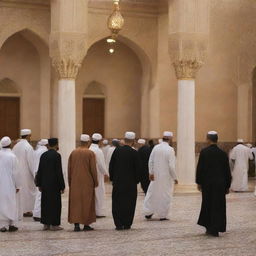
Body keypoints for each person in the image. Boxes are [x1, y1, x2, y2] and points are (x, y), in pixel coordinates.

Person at [196, 131, 232, 237]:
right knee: (218, 206)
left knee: (208, 204)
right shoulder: (223, 153)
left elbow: (200, 169)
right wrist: (228, 185)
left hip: (207, 184)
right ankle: (216, 228)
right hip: (220, 184)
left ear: (208, 139)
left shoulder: (204, 152)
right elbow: (227, 171)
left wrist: (199, 182)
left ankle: (209, 227)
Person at [109, 132, 141, 230]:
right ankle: (127, 223)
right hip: (130, 184)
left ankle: (118, 224)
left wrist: (112, 178)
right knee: (129, 203)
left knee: (117, 202)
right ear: (133, 141)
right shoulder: (134, 153)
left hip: (118, 182)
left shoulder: (117, 151)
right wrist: (136, 180)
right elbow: (138, 169)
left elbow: (111, 166)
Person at [143, 131, 178, 221]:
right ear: (170, 139)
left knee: (152, 193)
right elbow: (171, 166)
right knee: (165, 195)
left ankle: (148, 212)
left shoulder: (156, 147)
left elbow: (150, 161)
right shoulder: (170, 149)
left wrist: (151, 173)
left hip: (155, 176)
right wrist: (175, 177)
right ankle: (163, 215)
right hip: (166, 178)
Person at [68, 134, 98, 232]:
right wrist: (95, 181)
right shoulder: (90, 153)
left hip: (75, 182)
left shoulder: (73, 152)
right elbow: (93, 169)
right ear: (88, 142)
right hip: (87, 182)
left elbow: (69, 169)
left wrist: (70, 182)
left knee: (76, 203)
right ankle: (86, 224)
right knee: (87, 202)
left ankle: (76, 225)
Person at [36, 138, 65, 231]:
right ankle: (54, 224)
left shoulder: (43, 155)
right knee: (55, 204)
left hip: (45, 184)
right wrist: (62, 185)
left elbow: (39, 170)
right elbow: (59, 172)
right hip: (54, 184)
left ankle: (46, 224)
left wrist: (39, 184)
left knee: (45, 203)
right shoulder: (57, 155)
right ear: (56, 144)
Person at [12, 129, 36, 217]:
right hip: (26, 174)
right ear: (28, 136)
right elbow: (31, 162)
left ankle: (20, 210)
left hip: (17, 173)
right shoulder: (28, 147)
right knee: (27, 192)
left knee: (20, 192)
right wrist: (35, 174)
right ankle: (26, 211)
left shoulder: (15, 146)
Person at [0, 137, 21, 232]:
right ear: (10, 144)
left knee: (1, 203)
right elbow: (16, 173)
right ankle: (11, 224)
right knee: (11, 203)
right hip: (10, 184)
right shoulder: (12, 156)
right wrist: (18, 185)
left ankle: (2, 226)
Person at [89, 133, 108, 218]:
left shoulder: (89, 149)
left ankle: (91, 211)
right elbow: (101, 164)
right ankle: (98, 212)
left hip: (89, 174)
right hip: (98, 175)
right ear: (100, 141)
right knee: (99, 193)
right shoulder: (98, 151)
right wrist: (106, 173)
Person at [32, 139, 48, 222]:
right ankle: (37, 214)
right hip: (41, 174)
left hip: (36, 173)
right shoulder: (44, 151)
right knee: (40, 195)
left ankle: (37, 213)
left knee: (38, 194)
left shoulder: (37, 151)